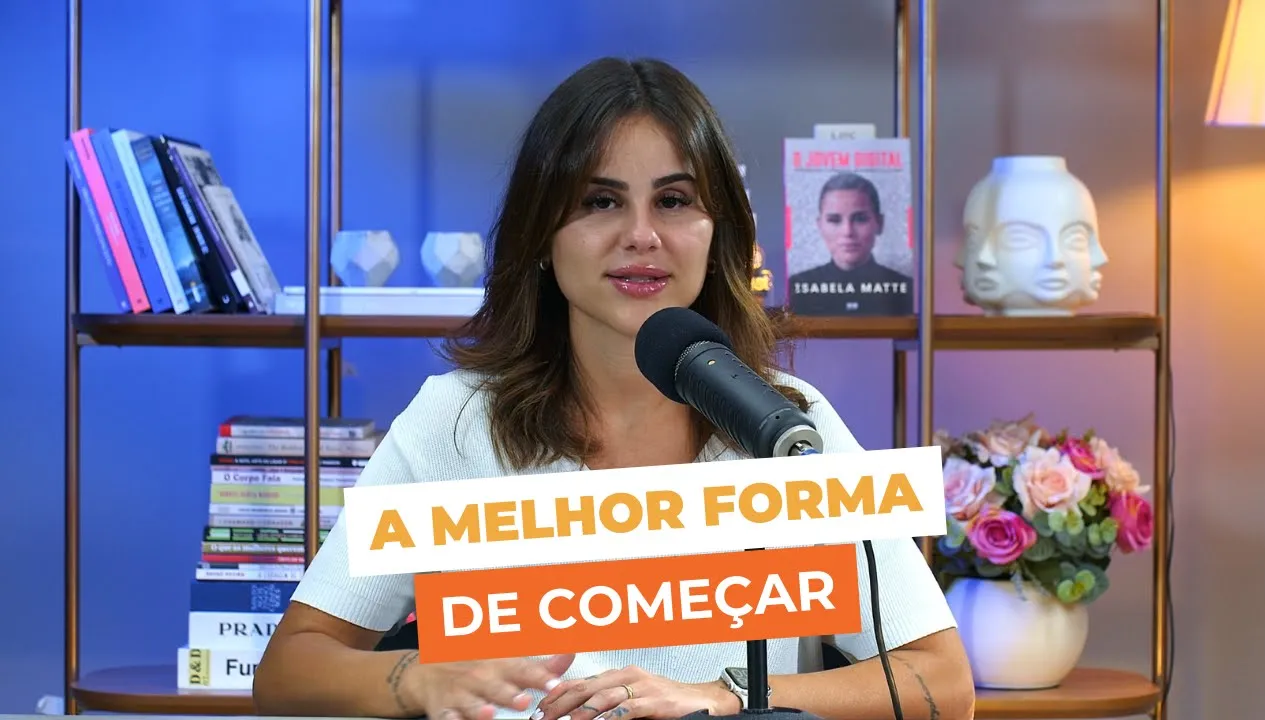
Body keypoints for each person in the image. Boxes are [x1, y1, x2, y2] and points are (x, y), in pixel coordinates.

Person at [253, 57, 974, 720]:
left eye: (674, 200)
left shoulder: (786, 421)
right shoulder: (455, 421)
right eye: (600, 201)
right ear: (541, 234)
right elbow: (288, 672)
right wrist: (417, 677)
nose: (641, 235)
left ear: (717, 233)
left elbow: (941, 682)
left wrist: (724, 698)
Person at [787, 172, 914, 316]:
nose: (847, 232)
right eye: (834, 220)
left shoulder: (907, 290)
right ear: (820, 226)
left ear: (879, 223)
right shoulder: (795, 290)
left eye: (860, 219)